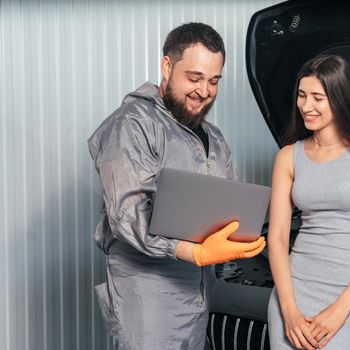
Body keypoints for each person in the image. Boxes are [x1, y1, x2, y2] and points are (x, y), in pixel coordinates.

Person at [88, 23, 266, 350]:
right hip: (147, 299)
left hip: (197, 297)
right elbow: (127, 213)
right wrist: (192, 251)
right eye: (194, 78)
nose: (204, 90)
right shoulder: (132, 124)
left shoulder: (213, 137)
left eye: (214, 81)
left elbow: (230, 203)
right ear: (167, 67)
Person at [267, 54, 350, 349]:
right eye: (302, 96)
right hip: (295, 291)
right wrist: (289, 311)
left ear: (340, 99)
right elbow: (276, 238)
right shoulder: (288, 157)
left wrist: (339, 311)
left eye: (317, 98)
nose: (306, 106)